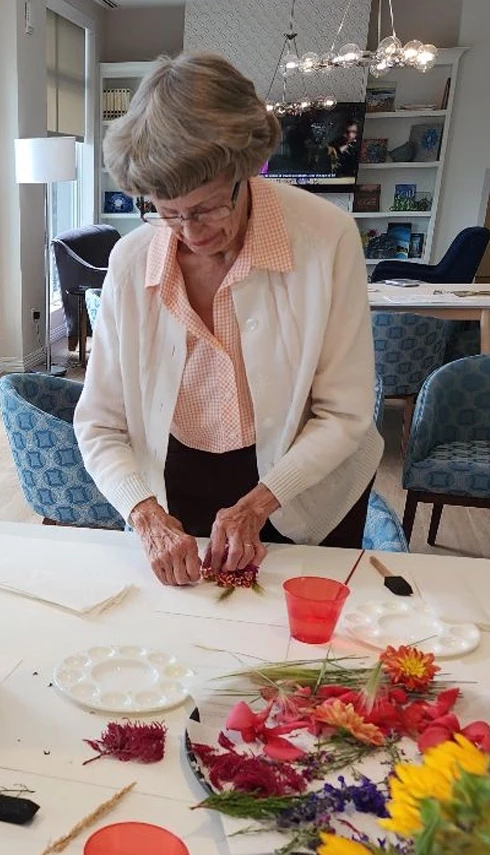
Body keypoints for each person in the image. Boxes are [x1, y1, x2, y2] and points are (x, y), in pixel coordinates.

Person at [75, 53, 383, 587]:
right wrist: (145, 515)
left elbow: (344, 414)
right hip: (175, 474)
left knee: (300, 646)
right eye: (166, 211)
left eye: (209, 207)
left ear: (246, 170)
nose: (190, 232)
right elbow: (99, 423)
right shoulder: (131, 260)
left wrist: (258, 505)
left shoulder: (326, 239)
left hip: (304, 479)